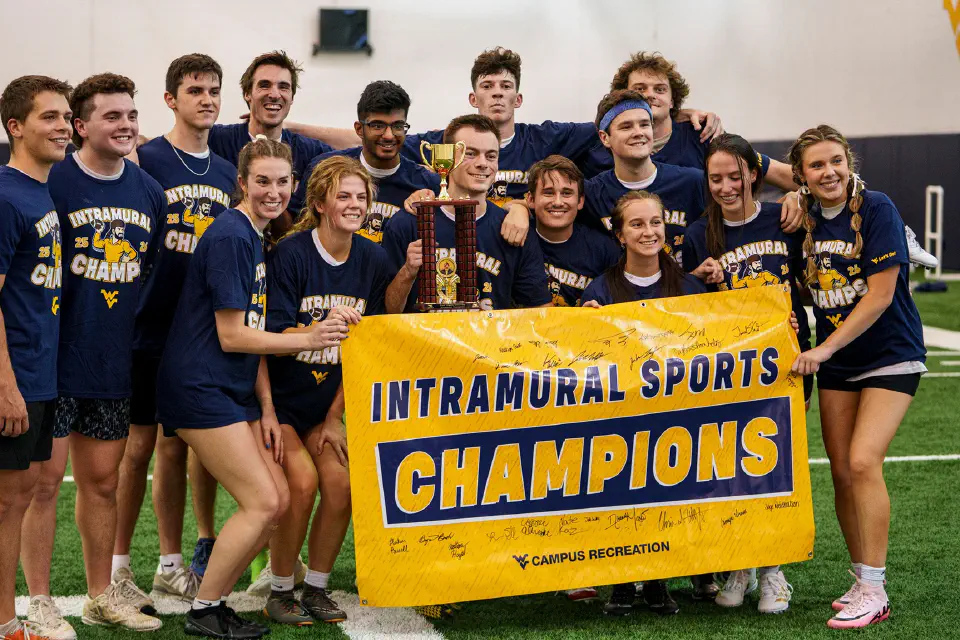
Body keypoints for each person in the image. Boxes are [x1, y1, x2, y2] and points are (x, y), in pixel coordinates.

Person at [155, 136, 358, 638]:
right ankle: (205, 610)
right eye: (261, 181)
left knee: (278, 498)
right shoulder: (231, 235)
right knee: (266, 502)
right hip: (201, 387)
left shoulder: (254, 235)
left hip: (229, 389)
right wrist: (309, 337)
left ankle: (215, 602)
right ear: (241, 183)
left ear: (294, 185)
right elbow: (231, 334)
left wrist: (265, 404)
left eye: (282, 181)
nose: (273, 191)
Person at [28, 73, 165, 634]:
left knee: (103, 483)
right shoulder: (53, 182)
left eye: (131, 115)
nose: (127, 125)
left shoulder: (149, 191)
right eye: (112, 116)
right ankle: (38, 600)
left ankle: (99, 594)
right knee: (42, 484)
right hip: (53, 362)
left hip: (112, 362)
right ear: (80, 126)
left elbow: (147, 274)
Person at [788, 125, 926, 629]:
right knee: (842, 471)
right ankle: (859, 576)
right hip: (840, 363)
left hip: (889, 352)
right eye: (816, 166)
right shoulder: (800, 217)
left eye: (836, 162)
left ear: (850, 163)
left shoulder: (878, 208)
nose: (829, 173)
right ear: (802, 175)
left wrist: (822, 349)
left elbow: (880, 296)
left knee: (865, 461)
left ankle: (876, 588)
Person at [113, 54, 236, 603]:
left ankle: (169, 561)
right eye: (195, 91)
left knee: (175, 447)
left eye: (213, 91)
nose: (206, 100)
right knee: (136, 448)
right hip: (150, 323)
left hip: (205, 331)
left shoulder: (230, 171)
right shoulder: (145, 158)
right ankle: (118, 565)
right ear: (170, 100)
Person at [681, 133, 812, 614]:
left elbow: (812, 282)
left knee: (778, 467)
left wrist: (800, 313)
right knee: (733, 469)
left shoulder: (786, 218)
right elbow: (691, 315)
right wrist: (701, 282)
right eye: (715, 178)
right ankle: (741, 562)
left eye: (734, 176)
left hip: (787, 363)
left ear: (753, 174)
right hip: (730, 370)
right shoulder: (699, 233)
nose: (725, 186)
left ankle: (774, 571)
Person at [262, 156, 394, 625]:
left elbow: (366, 350)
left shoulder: (374, 257)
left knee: (341, 487)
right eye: (344, 196)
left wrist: (336, 416)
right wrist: (317, 328)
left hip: (327, 403)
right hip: (282, 401)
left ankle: (316, 587)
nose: (355, 204)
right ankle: (279, 589)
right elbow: (270, 342)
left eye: (361, 196)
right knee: (302, 483)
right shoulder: (292, 254)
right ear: (319, 203)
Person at [580, 191, 705, 617]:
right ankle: (619, 580)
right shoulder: (601, 288)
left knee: (666, 493)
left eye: (655, 222)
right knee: (619, 494)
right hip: (618, 415)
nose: (648, 231)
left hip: (674, 414)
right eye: (636, 224)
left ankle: (657, 579)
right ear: (619, 234)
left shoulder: (689, 287)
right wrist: (586, 324)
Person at [0, 74, 72, 640]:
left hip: (40, 375)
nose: (64, 127)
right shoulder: (5, 194)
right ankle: (4, 623)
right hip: (15, 377)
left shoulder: (41, 190)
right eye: (50, 117)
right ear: (15, 126)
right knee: (5, 504)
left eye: (67, 116)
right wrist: (6, 383)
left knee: (20, 497)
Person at [383, 114, 552, 313]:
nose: (483, 163)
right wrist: (408, 272)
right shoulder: (408, 223)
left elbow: (541, 311)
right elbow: (384, 312)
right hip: (421, 344)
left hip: (487, 343)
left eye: (491, 156)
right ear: (447, 157)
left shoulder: (514, 230)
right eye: (470, 154)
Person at [208, 51, 337, 237]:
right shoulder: (217, 139)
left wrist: (296, 127)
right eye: (264, 85)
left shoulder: (310, 151)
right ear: (247, 93)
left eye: (284, 87)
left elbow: (361, 141)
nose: (275, 94)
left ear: (292, 97)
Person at [288, 80, 440, 234]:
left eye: (398, 126)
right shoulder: (324, 170)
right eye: (377, 126)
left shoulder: (426, 184)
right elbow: (296, 230)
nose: (389, 135)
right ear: (359, 129)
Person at [527, 155, 620, 308]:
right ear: (531, 199)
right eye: (548, 192)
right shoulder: (517, 240)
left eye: (567, 193)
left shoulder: (603, 249)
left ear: (580, 201)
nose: (557, 202)